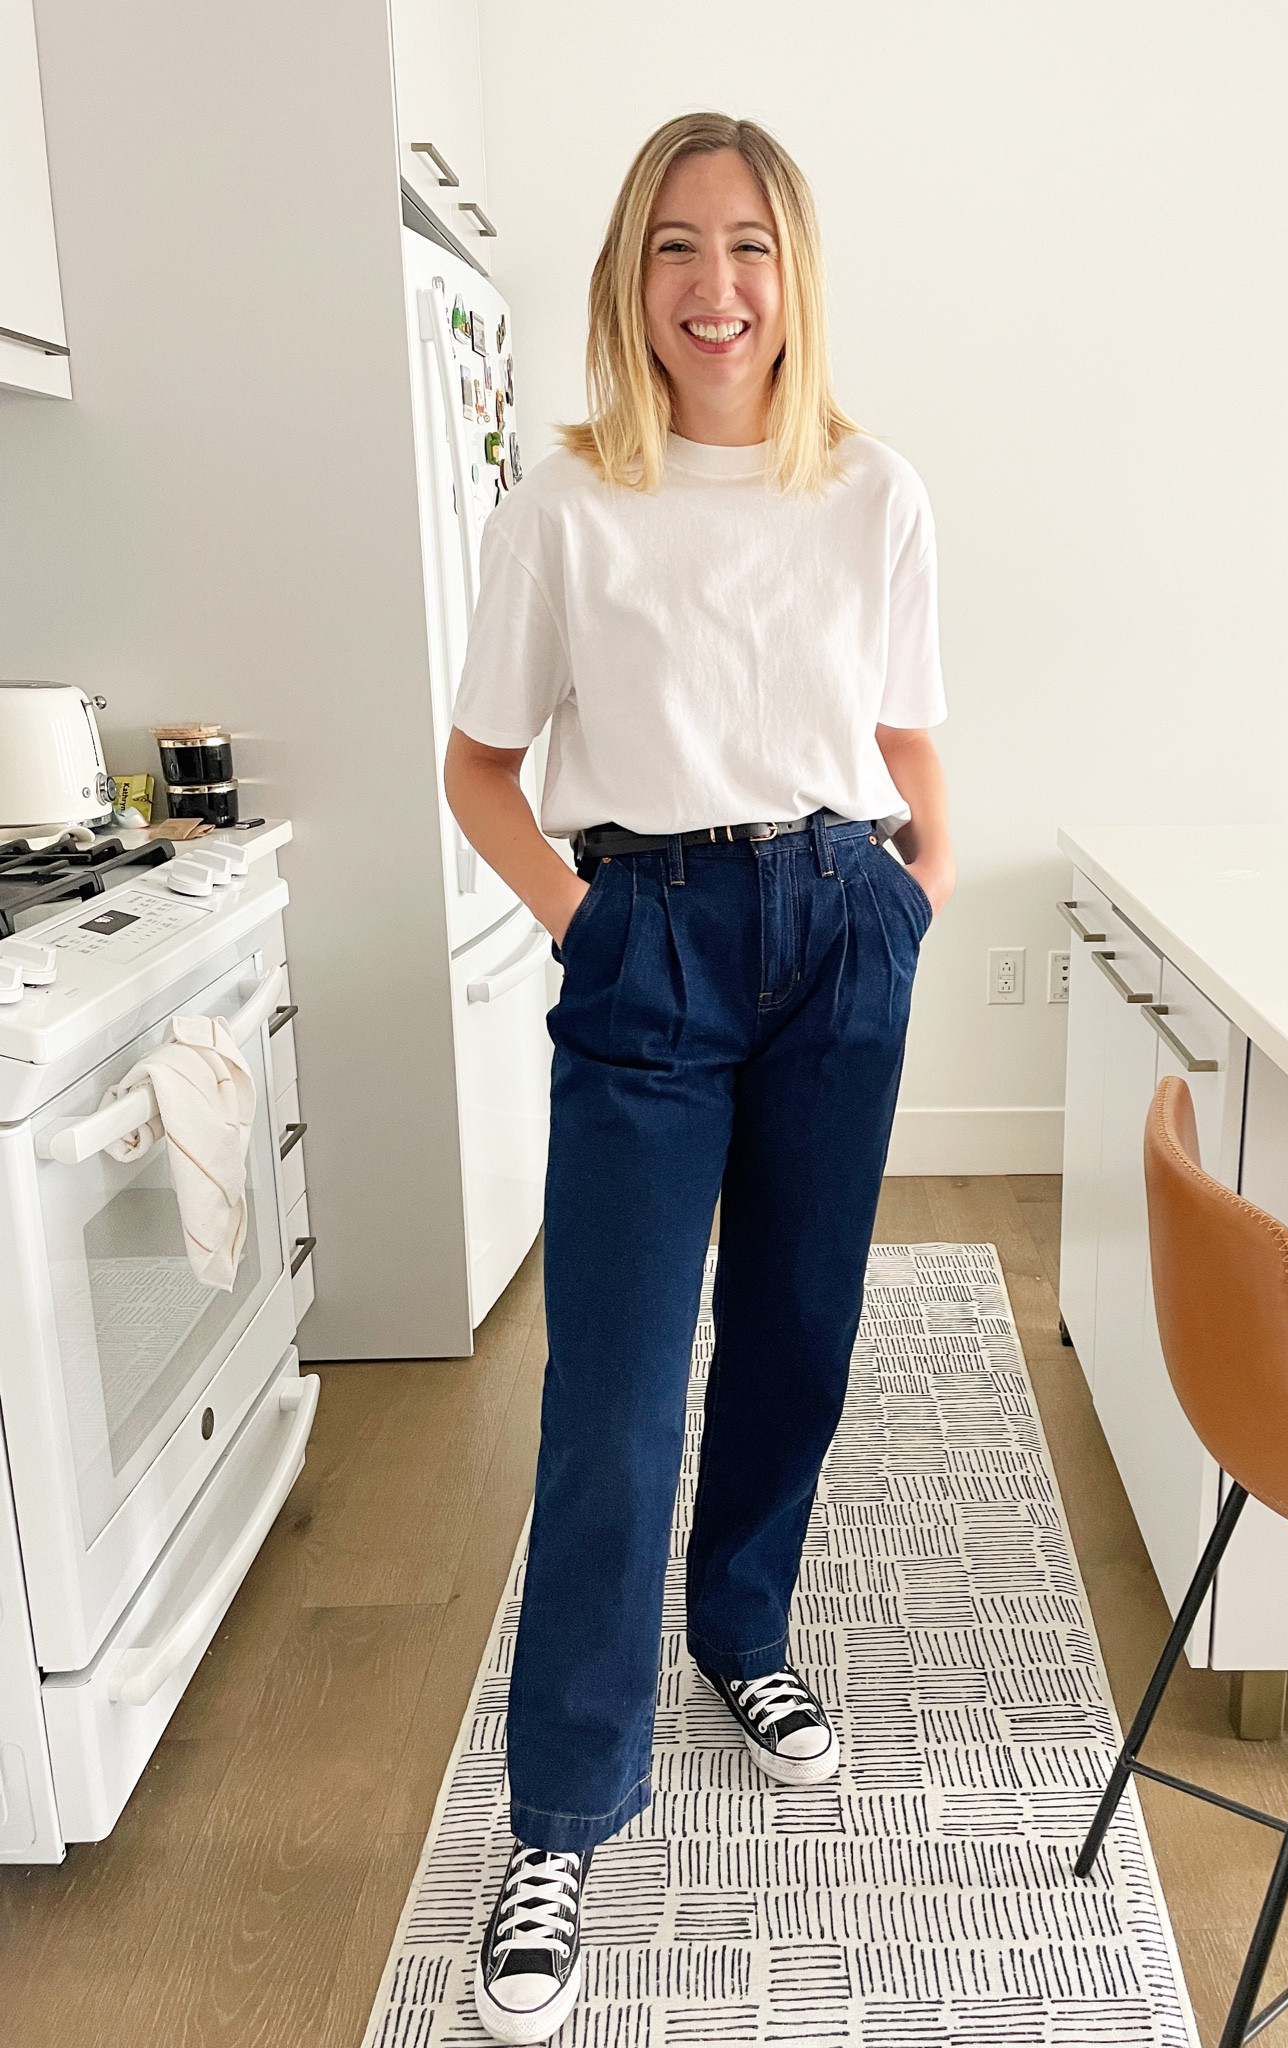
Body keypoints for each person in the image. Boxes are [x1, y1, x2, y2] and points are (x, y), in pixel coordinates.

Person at [444, 110, 954, 2045]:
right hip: (646, 938)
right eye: (674, 246)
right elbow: (481, 767)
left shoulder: (876, 489)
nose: (714, 285)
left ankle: (742, 1630)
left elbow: (907, 722)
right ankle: (565, 1808)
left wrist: (922, 880)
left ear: (792, 274)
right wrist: (589, 927)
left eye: (746, 246)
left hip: (840, 920)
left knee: (801, 1340)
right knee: (616, 1391)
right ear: (627, 279)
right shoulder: (570, 496)